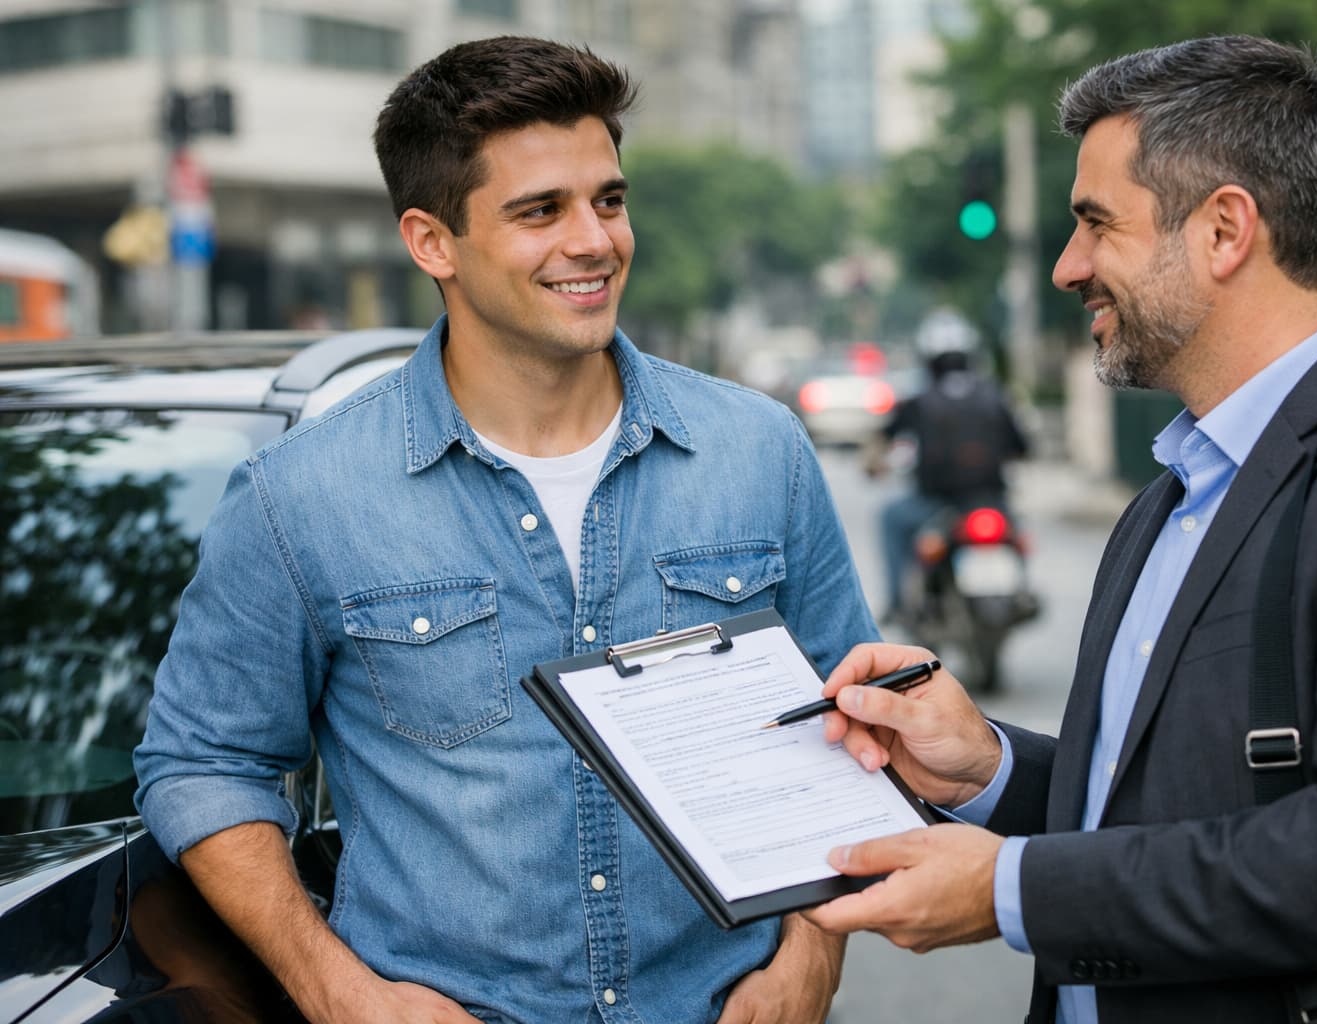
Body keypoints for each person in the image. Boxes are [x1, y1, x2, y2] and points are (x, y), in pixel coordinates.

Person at [134, 35, 876, 1024]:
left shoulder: (759, 451)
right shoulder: (300, 496)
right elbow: (201, 761)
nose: (595, 240)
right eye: (541, 211)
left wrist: (814, 948)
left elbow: (850, 724)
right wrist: (340, 993)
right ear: (432, 241)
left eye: (608, 200)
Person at [803, 34, 1317, 1023]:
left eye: (1098, 224)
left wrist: (1013, 890)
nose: (1069, 268)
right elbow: (1173, 809)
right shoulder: (1172, 493)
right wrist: (991, 768)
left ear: (1226, 229)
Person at [869, 308, 1029, 621]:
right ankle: (1022, 592)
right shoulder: (995, 397)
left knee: (890, 518)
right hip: (991, 500)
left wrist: (876, 466)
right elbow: (1022, 448)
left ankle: (897, 603)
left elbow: (880, 444)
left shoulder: (917, 402)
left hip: (936, 505)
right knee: (1016, 533)